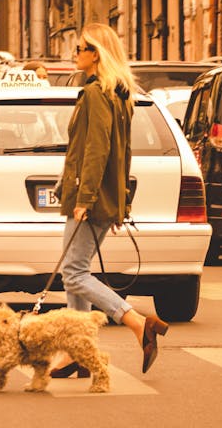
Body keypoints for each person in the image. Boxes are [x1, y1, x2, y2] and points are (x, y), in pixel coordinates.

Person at [51, 22, 169, 380]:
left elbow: (97, 150)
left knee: (73, 272)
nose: (75, 53)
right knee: (77, 273)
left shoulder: (96, 94)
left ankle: (136, 322)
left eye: (80, 48)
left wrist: (85, 197)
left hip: (90, 197)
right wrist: (123, 203)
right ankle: (77, 353)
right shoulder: (120, 94)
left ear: (95, 54)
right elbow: (125, 154)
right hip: (106, 198)